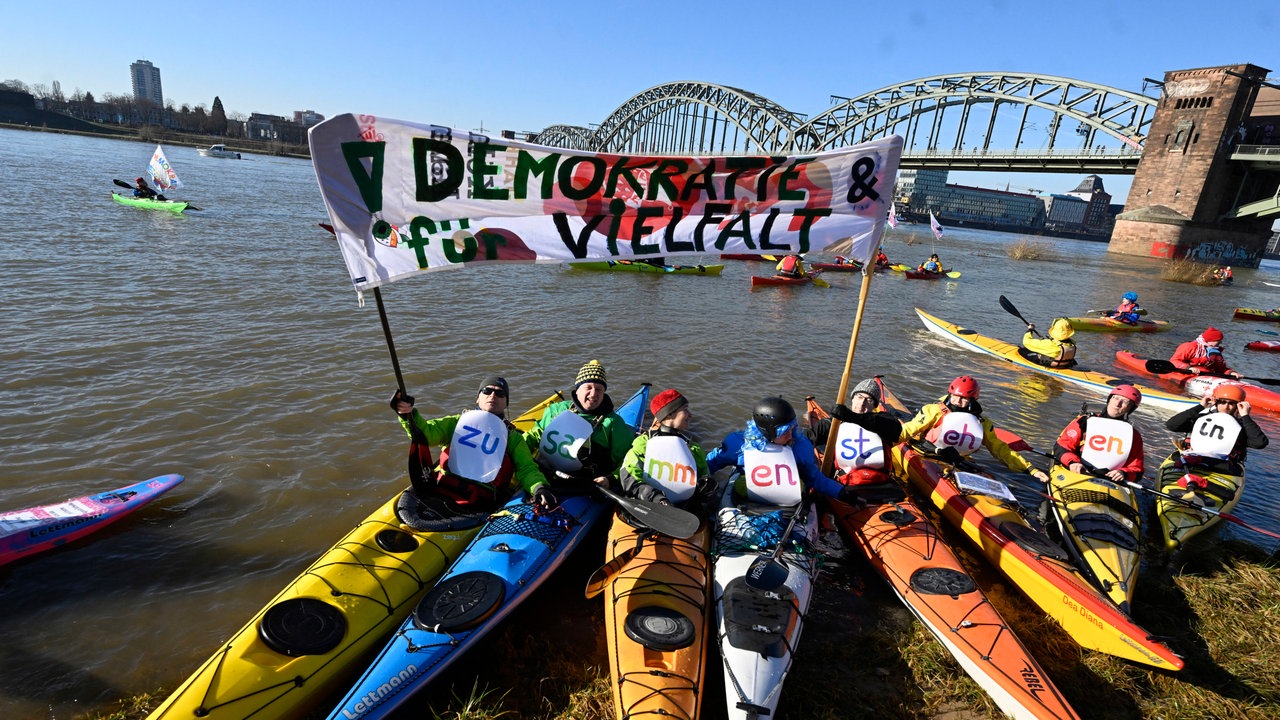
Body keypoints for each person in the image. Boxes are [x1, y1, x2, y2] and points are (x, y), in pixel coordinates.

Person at [389, 376, 547, 511]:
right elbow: (427, 435)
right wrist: (407, 414)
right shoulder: (457, 422)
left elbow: (526, 469)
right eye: (487, 391)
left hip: (483, 501)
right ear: (478, 398)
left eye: (500, 393)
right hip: (443, 487)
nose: (493, 395)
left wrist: (539, 487)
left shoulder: (513, 437)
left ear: (506, 403)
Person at [524, 359, 636, 509]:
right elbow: (533, 436)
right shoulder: (556, 410)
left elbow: (628, 460)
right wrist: (513, 450)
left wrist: (611, 479)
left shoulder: (613, 423)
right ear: (577, 390)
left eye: (599, 389)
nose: (593, 394)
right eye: (588, 387)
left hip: (587, 484)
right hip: (546, 475)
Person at [707, 396, 857, 504]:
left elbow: (814, 478)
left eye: (793, 429)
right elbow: (711, 463)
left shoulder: (799, 445)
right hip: (749, 497)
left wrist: (840, 492)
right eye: (785, 432)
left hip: (787, 500)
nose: (791, 435)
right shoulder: (739, 444)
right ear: (768, 432)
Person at [900, 375, 1050, 483]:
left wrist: (1030, 469)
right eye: (955, 396)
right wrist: (891, 436)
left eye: (964, 398)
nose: (957, 402)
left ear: (973, 400)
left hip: (959, 462)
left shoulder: (982, 423)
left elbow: (1000, 449)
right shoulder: (933, 410)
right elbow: (911, 429)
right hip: (928, 455)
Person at [618, 388, 715, 514]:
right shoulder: (643, 445)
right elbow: (629, 478)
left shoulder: (693, 449)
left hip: (682, 509)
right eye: (685, 410)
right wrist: (657, 498)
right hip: (648, 505)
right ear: (669, 415)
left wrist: (707, 487)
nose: (690, 415)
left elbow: (704, 477)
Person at [805, 378, 905, 493]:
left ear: (875, 406)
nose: (862, 403)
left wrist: (851, 417)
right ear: (852, 399)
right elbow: (806, 438)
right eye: (859, 397)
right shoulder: (832, 424)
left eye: (869, 400)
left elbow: (896, 429)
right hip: (846, 484)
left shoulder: (883, 422)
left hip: (881, 483)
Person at [1051, 384, 1145, 484]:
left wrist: (1123, 473)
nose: (1117, 403)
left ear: (1130, 408)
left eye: (1125, 401)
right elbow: (1061, 447)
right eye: (1115, 398)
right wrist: (1073, 462)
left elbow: (1137, 469)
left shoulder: (1133, 435)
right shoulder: (1084, 421)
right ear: (1109, 399)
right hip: (1078, 471)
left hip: (1109, 480)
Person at [1164, 384, 1268, 466]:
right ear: (1216, 403)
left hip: (1222, 466)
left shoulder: (1242, 427)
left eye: (1231, 403)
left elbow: (1260, 443)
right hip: (1191, 460)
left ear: (1238, 406)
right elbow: (1171, 425)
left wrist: (1245, 416)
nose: (1226, 407)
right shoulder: (1200, 419)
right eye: (1222, 402)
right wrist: (1200, 406)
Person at [1169, 327, 1242, 378]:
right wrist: (1189, 368)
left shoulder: (1215, 351)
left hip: (1207, 376)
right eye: (1218, 341)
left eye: (1220, 341)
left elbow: (1220, 369)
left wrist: (1231, 373)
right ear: (1210, 340)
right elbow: (1174, 361)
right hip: (1187, 374)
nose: (1220, 342)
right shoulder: (1189, 346)